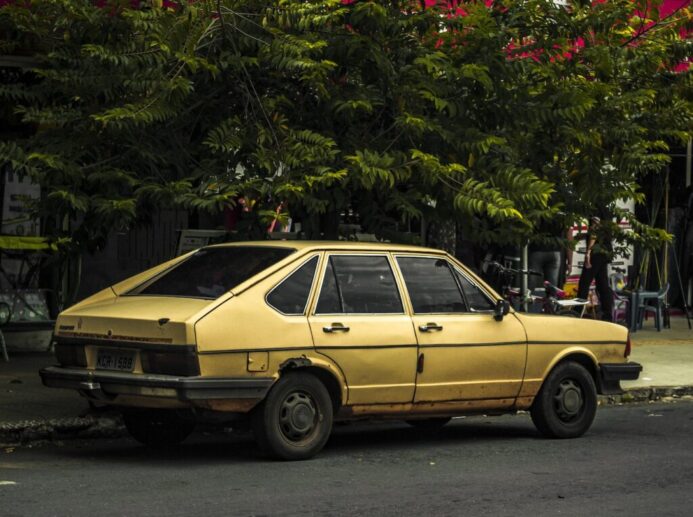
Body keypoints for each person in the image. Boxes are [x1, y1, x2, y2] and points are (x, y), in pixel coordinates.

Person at [577, 215, 614, 321]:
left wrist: (588, 251)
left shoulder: (595, 207)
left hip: (596, 251)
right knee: (602, 284)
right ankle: (607, 315)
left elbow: (595, 229)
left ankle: (577, 313)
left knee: (584, 283)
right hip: (605, 251)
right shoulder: (607, 210)